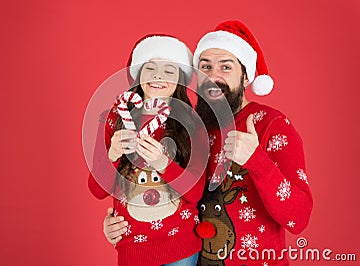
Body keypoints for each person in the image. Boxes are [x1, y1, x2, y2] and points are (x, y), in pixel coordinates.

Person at [102, 20, 313, 266]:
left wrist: (257, 161)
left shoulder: (272, 125)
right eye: (205, 67)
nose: (213, 76)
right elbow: (169, 190)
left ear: (245, 76)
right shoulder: (189, 126)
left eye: (226, 67)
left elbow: (299, 218)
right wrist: (121, 223)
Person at [88, 35, 208, 266]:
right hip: (133, 247)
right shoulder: (116, 118)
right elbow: (97, 189)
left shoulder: (193, 124)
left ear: (181, 79)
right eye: (150, 68)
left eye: (169, 71)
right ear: (138, 74)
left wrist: (163, 162)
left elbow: (195, 193)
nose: (158, 77)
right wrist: (112, 154)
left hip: (180, 246)